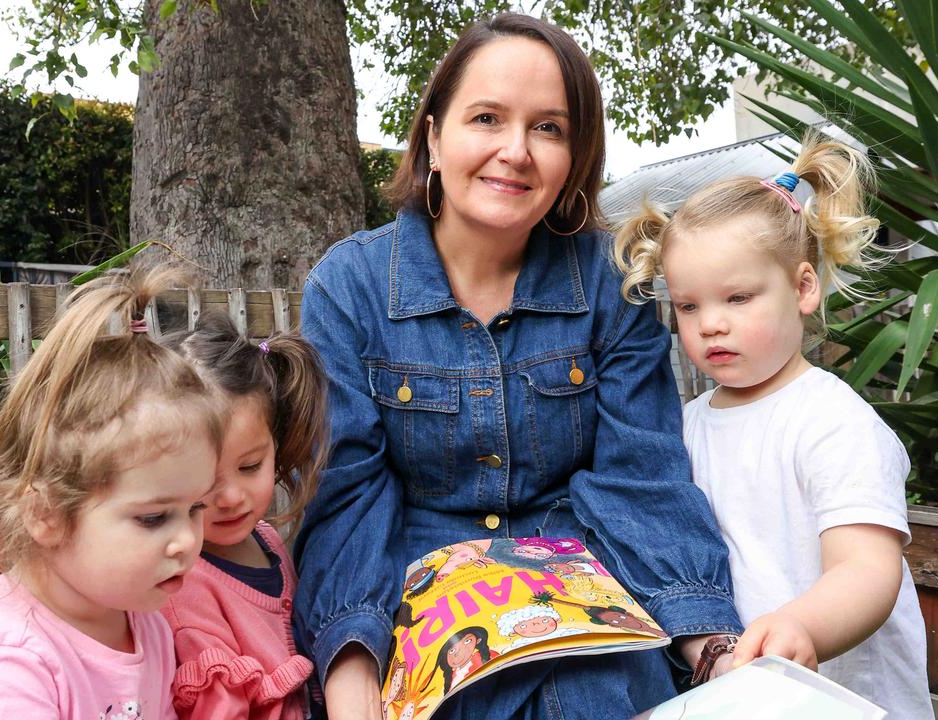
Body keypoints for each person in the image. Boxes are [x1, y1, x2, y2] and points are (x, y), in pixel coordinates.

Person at [293, 13, 743, 720]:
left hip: (587, 588)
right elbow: (346, 500)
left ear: (574, 159)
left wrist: (710, 647)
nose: (516, 151)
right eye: (486, 118)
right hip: (413, 601)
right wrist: (352, 686)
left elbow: (641, 478)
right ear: (434, 137)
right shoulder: (347, 289)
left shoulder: (609, 285)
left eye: (549, 129)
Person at [614, 134, 934, 717]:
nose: (710, 324)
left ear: (804, 287)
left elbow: (867, 568)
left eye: (738, 298)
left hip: (848, 698)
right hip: (742, 693)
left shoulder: (833, 422)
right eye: (688, 306)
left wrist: (801, 625)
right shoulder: (682, 428)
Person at [0, 267, 223, 719]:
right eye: (154, 517)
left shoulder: (140, 620)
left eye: (195, 507)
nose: (189, 540)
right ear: (46, 514)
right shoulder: (1, 672)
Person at [158, 312, 329, 720]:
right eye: (205, 477)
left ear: (276, 445)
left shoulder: (267, 539)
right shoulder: (185, 589)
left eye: (250, 466)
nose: (232, 497)